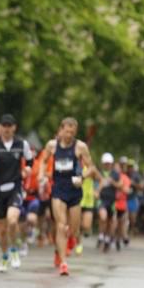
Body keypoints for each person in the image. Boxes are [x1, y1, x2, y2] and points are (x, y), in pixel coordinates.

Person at [38, 117, 95, 276]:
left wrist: (82, 177)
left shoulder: (80, 147)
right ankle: (63, 262)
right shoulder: (52, 145)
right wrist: (42, 176)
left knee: (74, 229)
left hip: (75, 190)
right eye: (66, 131)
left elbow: (91, 168)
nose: (69, 135)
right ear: (61, 129)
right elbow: (43, 161)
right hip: (58, 188)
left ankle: (70, 239)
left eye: (72, 132)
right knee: (61, 225)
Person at [0, 114, 30, 272]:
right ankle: (5, 256)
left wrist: (27, 169)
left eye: (9, 126)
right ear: (0, 127)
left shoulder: (22, 144)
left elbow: (30, 160)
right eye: (4, 125)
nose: (6, 129)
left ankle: (14, 250)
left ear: (14, 127)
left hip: (15, 187)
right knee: (1, 229)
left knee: (12, 221)